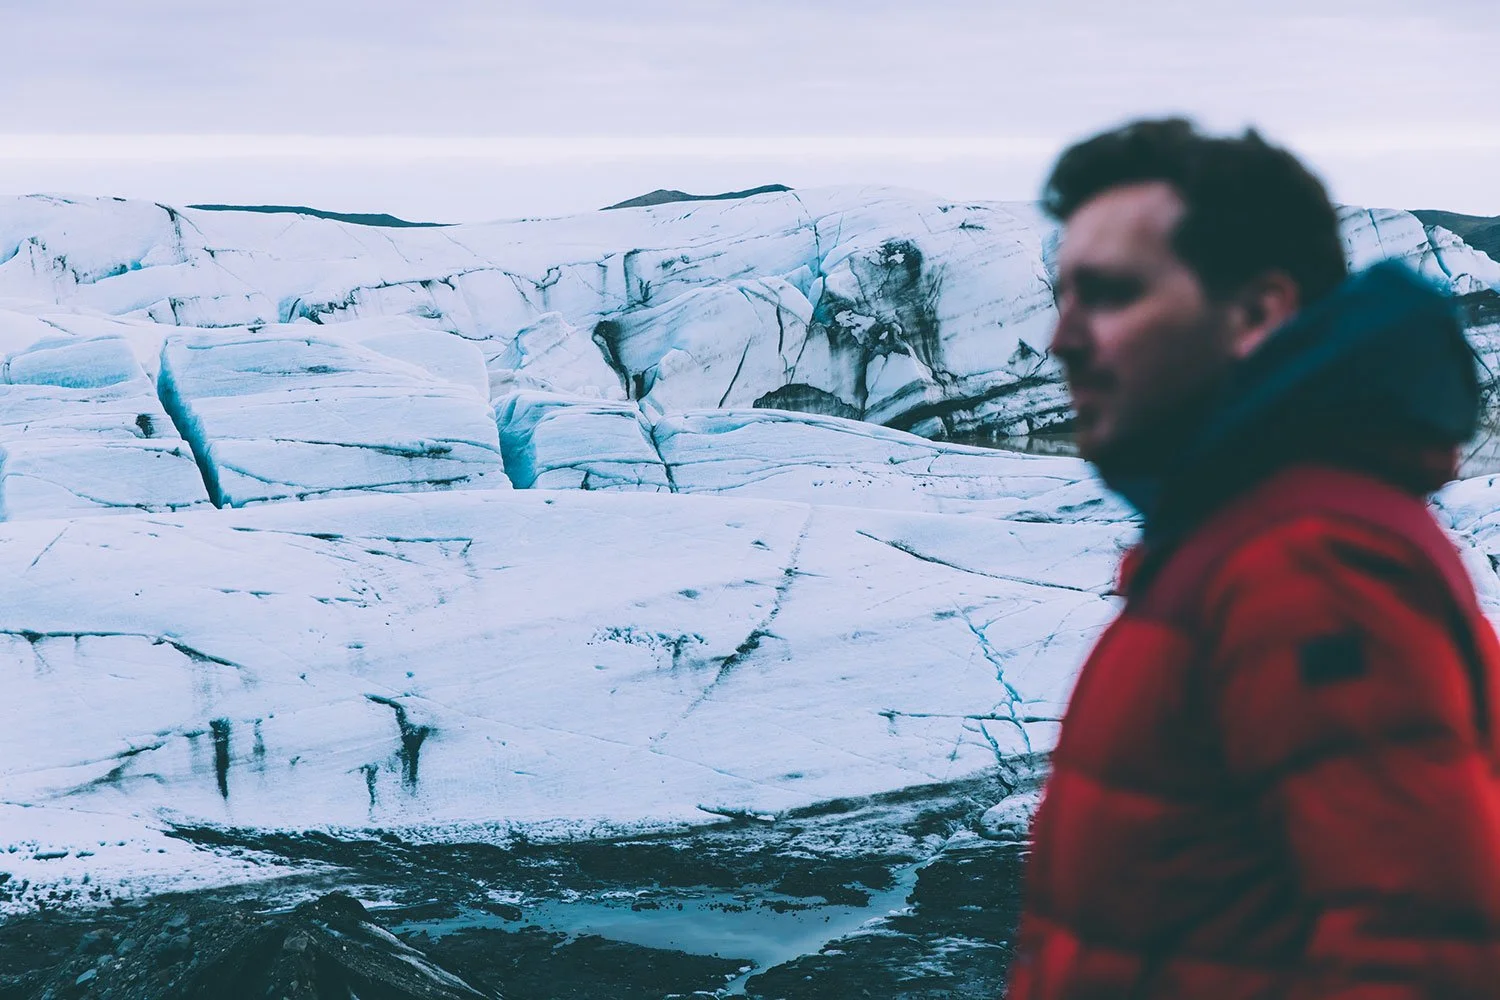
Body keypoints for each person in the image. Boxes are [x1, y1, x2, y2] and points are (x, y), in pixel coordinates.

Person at [1005, 118, 1500, 999]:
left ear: (1259, 312)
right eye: (1064, 293)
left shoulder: (1311, 566)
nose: (1061, 338)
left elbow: (1427, 953)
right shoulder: (1244, 537)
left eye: (1110, 294)